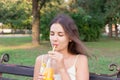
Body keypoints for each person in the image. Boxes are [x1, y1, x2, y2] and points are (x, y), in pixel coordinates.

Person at [33, 13, 89, 80]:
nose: (54, 39)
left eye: (60, 35)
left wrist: (62, 68)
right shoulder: (41, 60)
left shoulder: (80, 60)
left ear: (70, 38)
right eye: (52, 34)